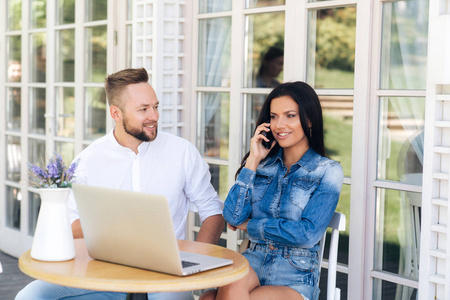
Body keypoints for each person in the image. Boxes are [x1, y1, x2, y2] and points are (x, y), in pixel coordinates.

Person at [16, 68, 225, 300]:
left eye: (155, 107)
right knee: (31, 295)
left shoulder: (182, 152)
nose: (154, 116)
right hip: (101, 272)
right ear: (116, 113)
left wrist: (195, 266)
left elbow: (213, 213)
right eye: (143, 109)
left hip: (165, 277)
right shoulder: (88, 160)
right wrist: (111, 232)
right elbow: (70, 224)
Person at [200, 81, 343, 300]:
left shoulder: (327, 171)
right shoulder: (263, 164)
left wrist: (252, 225)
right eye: (274, 116)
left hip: (294, 275)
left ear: (309, 119)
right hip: (254, 260)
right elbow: (232, 216)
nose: (279, 125)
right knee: (211, 295)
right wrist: (253, 160)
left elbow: (306, 234)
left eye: (290, 116)